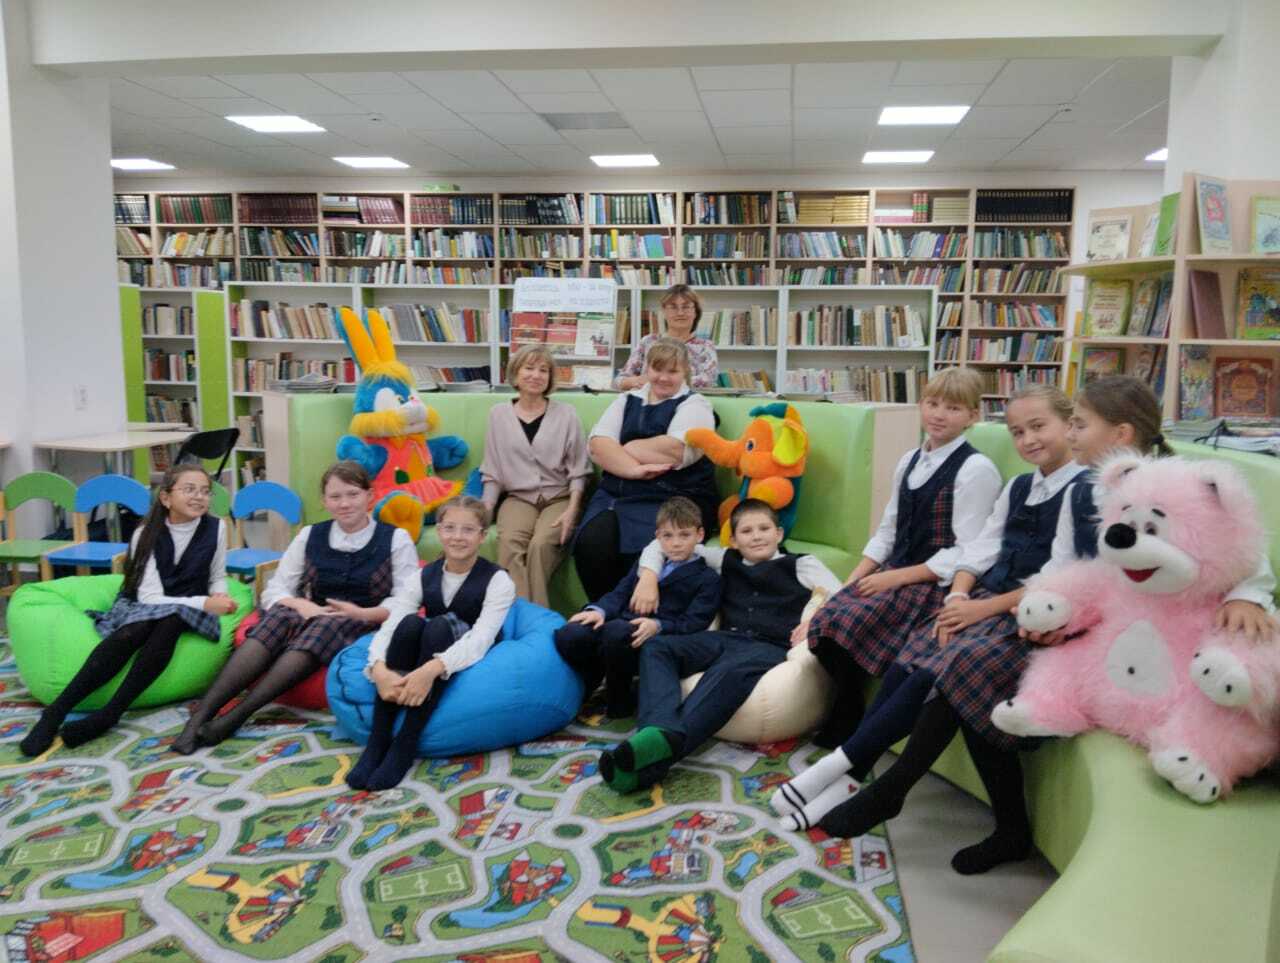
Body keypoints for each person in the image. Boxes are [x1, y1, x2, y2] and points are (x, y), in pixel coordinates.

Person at [775, 385, 1085, 871]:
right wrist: (959, 597)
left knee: (953, 666)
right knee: (919, 650)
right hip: (988, 598)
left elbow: (1061, 574)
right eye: (1017, 431)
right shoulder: (1020, 486)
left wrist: (975, 606)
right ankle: (855, 767)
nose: (1027, 440)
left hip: (1032, 614)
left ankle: (878, 782)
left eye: (1038, 427)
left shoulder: (1080, 489)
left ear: (1070, 424)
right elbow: (983, 548)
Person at [804, 368, 1002, 748]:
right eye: (932, 403)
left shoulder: (976, 469)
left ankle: (849, 721)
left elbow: (969, 550)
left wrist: (895, 577)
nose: (939, 414)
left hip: (931, 583)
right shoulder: (909, 459)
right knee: (827, 618)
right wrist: (853, 580)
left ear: (972, 416)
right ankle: (850, 707)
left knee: (847, 622)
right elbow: (888, 530)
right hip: (894, 569)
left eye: (953, 408)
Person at [172, 461, 418, 754]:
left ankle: (236, 716)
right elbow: (275, 589)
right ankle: (199, 717)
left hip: (362, 618)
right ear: (324, 501)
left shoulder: (396, 539)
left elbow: (406, 600)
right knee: (278, 616)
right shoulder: (309, 535)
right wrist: (300, 604)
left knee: (326, 625)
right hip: (310, 609)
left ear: (370, 496)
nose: (344, 503)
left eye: (353, 494)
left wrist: (362, 613)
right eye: (335, 496)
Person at [600, 499, 842, 793]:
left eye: (764, 529)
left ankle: (652, 764)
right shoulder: (726, 558)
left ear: (778, 533)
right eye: (747, 531)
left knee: (728, 671)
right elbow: (659, 544)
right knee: (658, 647)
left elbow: (843, 595)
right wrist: (649, 575)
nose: (756, 536)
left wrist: (815, 620)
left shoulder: (802, 564)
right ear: (734, 540)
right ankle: (659, 728)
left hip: (769, 645)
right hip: (725, 638)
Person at [1041, 375, 1277, 641]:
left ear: (1121, 434)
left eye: (1080, 425)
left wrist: (1244, 598)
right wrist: (1046, 605)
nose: (1069, 434)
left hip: (1176, 622)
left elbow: (1244, 550)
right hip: (1101, 621)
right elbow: (1061, 562)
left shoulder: (1180, 485)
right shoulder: (1076, 493)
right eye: (1070, 424)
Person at [20, 465, 235, 756]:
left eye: (205, 491)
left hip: (187, 602)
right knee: (133, 631)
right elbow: (149, 597)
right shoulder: (145, 533)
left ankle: (111, 712)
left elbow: (217, 574)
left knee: (171, 621)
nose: (199, 497)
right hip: (146, 599)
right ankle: (56, 711)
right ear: (166, 498)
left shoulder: (217, 527)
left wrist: (219, 593)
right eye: (189, 489)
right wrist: (206, 603)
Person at [348, 496, 516, 790]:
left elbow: (480, 639)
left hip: (467, 650)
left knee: (437, 627)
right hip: (432, 644)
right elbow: (391, 624)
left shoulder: (498, 580)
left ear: (482, 535)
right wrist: (378, 669)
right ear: (439, 531)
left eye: (467, 530)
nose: (457, 537)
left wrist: (431, 669)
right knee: (410, 625)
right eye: (449, 528)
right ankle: (378, 740)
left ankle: (405, 742)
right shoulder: (422, 576)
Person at [573, 337, 719, 602]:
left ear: (685, 372)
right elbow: (597, 447)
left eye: (672, 371)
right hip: (619, 493)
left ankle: (638, 615)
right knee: (591, 542)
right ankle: (605, 610)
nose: (663, 378)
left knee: (642, 546)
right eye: (657, 369)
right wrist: (634, 470)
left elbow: (676, 451)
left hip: (675, 494)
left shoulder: (696, 404)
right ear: (646, 369)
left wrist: (623, 448)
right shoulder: (626, 399)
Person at [554, 496, 719, 718]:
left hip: (656, 637)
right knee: (570, 633)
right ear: (657, 536)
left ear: (699, 535)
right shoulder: (647, 564)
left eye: (684, 535)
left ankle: (619, 703)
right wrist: (598, 611)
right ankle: (590, 684)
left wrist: (658, 625)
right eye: (668, 536)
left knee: (616, 632)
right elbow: (620, 594)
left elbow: (694, 622)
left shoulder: (707, 578)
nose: (676, 543)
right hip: (620, 627)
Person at [481, 344, 591, 607]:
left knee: (541, 546)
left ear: (550, 378)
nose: (536, 375)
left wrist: (573, 509)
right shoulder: (498, 414)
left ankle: (535, 618)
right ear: (516, 373)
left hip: (560, 497)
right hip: (518, 498)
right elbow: (493, 470)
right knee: (509, 543)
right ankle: (519, 616)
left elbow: (579, 469)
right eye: (529, 368)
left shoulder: (566, 414)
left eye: (543, 370)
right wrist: (484, 511)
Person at [615, 284, 719, 390]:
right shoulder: (648, 342)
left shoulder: (705, 347)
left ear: (695, 312)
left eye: (686, 307)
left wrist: (656, 381)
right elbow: (620, 380)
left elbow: (708, 381)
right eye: (673, 307)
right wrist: (636, 381)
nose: (680, 313)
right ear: (664, 312)